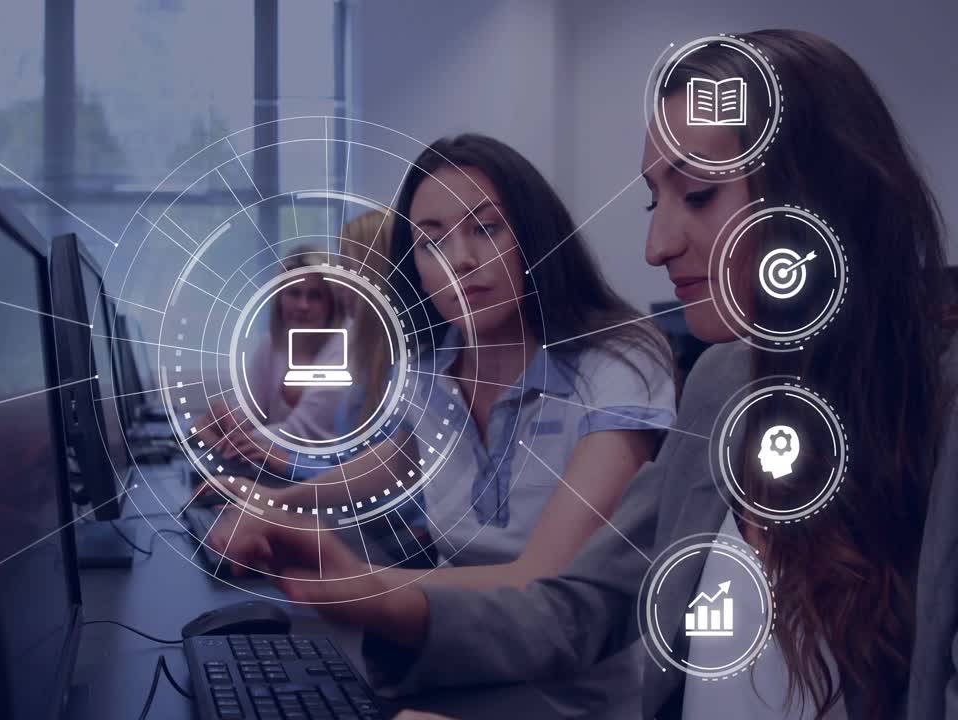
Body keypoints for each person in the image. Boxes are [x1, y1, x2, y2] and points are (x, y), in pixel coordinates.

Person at [216, 30, 957, 720]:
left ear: (820, 194)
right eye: (655, 200)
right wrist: (357, 582)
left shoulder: (931, 427)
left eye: (700, 194)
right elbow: (580, 604)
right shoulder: (724, 385)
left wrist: (368, 578)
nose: (656, 245)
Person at [211, 133, 676, 582]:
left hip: (564, 631)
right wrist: (278, 501)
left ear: (535, 235)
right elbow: (399, 457)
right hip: (448, 619)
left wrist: (355, 583)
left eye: (486, 229)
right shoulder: (429, 366)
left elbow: (545, 583)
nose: (459, 260)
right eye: (432, 243)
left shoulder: (620, 360)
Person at [194, 246, 346, 464]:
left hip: (324, 473)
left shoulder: (342, 350)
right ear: (280, 299)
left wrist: (223, 439)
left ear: (331, 304)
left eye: (315, 296)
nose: (303, 305)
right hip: (275, 467)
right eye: (294, 293)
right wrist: (225, 418)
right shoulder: (272, 344)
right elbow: (247, 411)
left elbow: (298, 434)